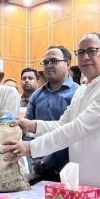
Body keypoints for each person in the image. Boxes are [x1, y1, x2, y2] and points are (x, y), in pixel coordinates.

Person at [2, 33, 100, 193]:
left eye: (92, 51)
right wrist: (32, 125)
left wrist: (30, 147)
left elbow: (77, 128)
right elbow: (63, 124)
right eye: (81, 52)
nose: (85, 57)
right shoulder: (82, 91)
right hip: (83, 180)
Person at [25, 46, 79, 181]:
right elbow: (27, 130)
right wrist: (33, 159)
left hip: (69, 169)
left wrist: (47, 160)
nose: (48, 65)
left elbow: (74, 132)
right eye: (45, 62)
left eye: (54, 61)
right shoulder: (37, 95)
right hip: (38, 167)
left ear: (68, 64)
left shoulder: (78, 93)